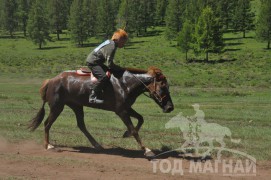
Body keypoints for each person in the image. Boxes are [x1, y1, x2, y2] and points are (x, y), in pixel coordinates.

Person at [86, 29, 128, 104]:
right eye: (123, 41)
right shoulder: (112, 46)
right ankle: (92, 97)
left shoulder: (110, 42)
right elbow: (110, 64)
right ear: (119, 39)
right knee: (103, 77)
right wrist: (120, 68)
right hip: (93, 62)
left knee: (111, 73)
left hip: (97, 62)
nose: (124, 44)